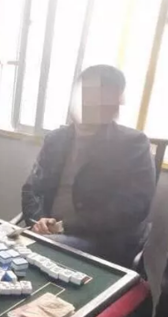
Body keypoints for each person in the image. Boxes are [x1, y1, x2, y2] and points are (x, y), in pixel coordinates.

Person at [21, 65, 156, 267]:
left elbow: (132, 207)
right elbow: (31, 189)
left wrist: (62, 226)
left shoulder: (133, 144)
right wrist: (38, 222)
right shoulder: (55, 139)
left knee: (33, 252)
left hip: (100, 241)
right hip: (48, 234)